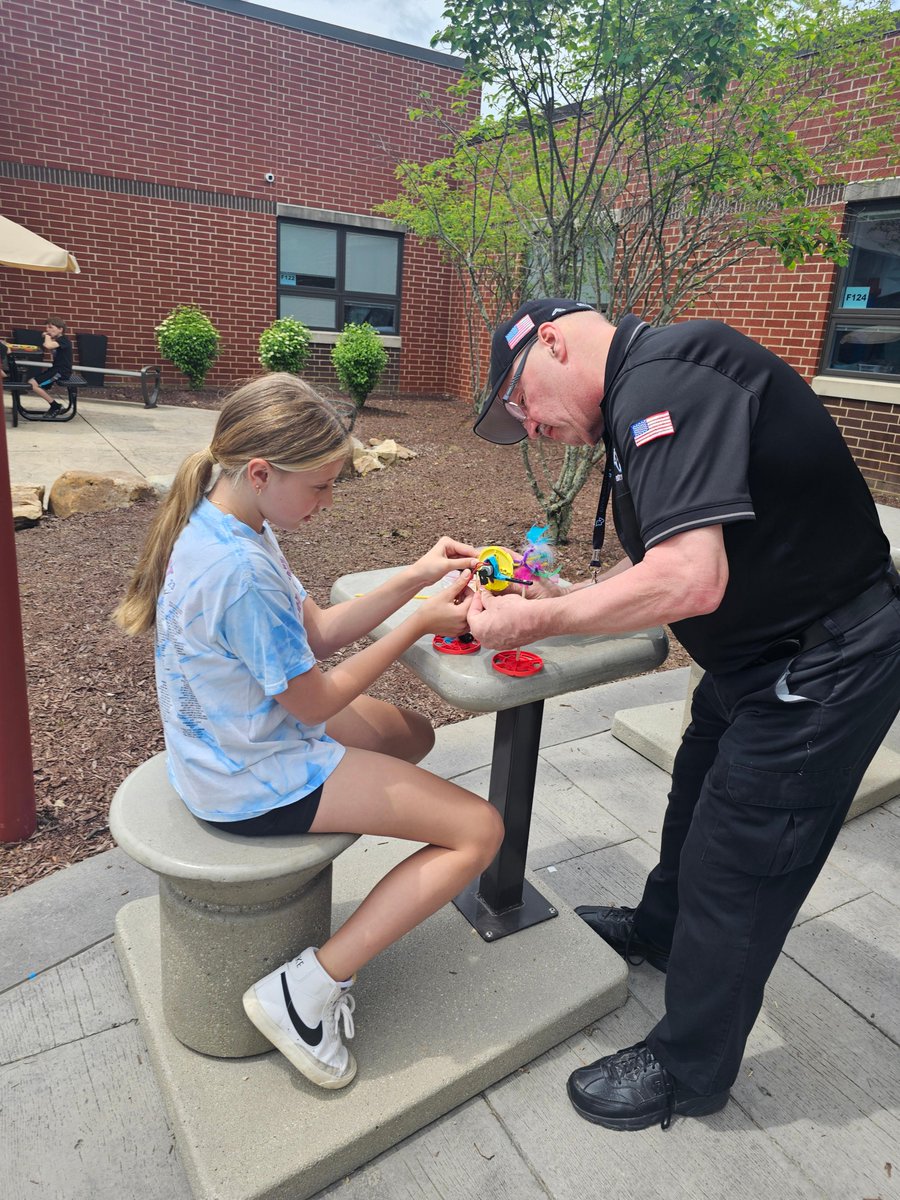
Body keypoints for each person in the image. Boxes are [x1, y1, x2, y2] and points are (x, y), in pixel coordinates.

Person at [469, 297, 900, 1131]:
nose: (531, 428)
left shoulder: (666, 381)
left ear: (553, 342)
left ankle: (690, 1067)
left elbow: (689, 580)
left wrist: (534, 620)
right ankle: (661, 933)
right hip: (758, 655)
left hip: (825, 662)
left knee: (740, 864)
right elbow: (682, 544)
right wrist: (570, 596)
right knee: (695, 801)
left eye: (523, 403)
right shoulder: (648, 383)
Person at [115, 373, 504, 1091]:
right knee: (479, 832)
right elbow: (316, 702)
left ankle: (326, 936)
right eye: (321, 486)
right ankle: (303, 994)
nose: (328, 503)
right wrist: (418, 620)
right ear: (261, 472)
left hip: (232, 744)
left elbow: (317, 632)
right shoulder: (239, 569)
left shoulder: (232, 518)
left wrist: (415, 577)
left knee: (412, 736)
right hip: (248, 780)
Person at [28, 317, 73, 419]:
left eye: (50, 327)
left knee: (33, 384)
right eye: (46, 327)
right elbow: (51, 349)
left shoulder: (64, 340)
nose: (47, 330)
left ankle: (55, 406)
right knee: (32, 382)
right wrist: (49, 338)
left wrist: (47, 336)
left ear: (60, 329)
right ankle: (54, 405)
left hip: (61, 372)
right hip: (55, 370)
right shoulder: (58, 341)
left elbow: (47, 345)